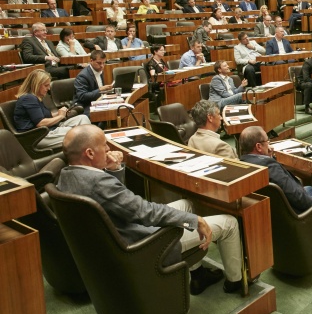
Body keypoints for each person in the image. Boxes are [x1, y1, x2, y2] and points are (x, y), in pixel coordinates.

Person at [56, 125, 245, 294]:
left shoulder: (66, 176)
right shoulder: (98, 183)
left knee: (188, 205)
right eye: (104, 145)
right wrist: (195, 220)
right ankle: (236, 282)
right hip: (145, 242)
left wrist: (114, 169)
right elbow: (145, 212)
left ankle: (197, 275)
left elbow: (117, 203)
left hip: (121, 233)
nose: (108, 149)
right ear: (89, 153)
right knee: (229, 223)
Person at [238, 127, 312, 262]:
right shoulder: (269, 167)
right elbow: (298, 197)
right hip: (297, 212)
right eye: (267, 141)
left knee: (309, 189)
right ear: (258, 147)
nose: (270, 144)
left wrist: (270, 157)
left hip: (278, 211)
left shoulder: (244, 163)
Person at [14, 69, 91, 149]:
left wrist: (59, 113)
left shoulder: (35, 97)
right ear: (36, 85)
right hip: (39, 136)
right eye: (46, 85)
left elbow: (42, 116)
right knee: (79, 133)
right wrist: (60, 116)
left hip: (49, 130)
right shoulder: (28, 98)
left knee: (83, 118)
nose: (48, 88)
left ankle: (89, 146)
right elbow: (40, 123)